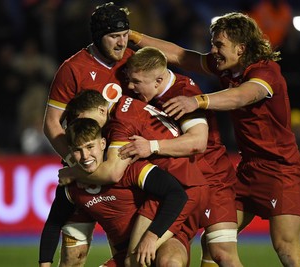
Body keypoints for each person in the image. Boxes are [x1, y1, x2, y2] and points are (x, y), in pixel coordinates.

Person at [128, 12, 300, 267]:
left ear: (241, 48)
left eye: (219, 44)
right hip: (247, 170)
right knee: (216, 244)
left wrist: (198, 100)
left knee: (287, 250)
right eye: (213, 43)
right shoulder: (229, 68)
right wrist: (134, 37)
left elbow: (241, 97)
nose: (212, 50)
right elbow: (180, 55)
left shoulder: (266, 72)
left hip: (280, 171)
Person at [117, 46, 242, 267]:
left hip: (212, 180)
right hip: (179, 185)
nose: (130, 87)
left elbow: (197, 141)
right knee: (165, 261)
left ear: (157, 81)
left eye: (136, 82)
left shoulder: (182, 94)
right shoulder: (150, 92)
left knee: (223, 255)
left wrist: (151, 147)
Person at [58, 89, 210, 267]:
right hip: (172, 188)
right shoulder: (128, 108)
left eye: (87, 119)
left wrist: (74, 172)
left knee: (134, 259)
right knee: (164, 260)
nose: (88, 125)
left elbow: (113, 173)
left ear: (101, 110)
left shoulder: (121, 123)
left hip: (183, 188)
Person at [40, 2, 134, 265]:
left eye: (125, 35)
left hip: (120, 172)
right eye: (114, 36)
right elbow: (51, 124)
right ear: (97, 36)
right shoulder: (72, 69)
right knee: (74, 257)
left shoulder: (133, 63)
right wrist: (77, 162)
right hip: (84, 173)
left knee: (127, 256)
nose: (121, 42)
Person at [42, 116, 189, 266]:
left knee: (169, 263)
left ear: (103, 144)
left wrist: (152, 237)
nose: (85, 156)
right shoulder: (71, 185)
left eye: (90, 147)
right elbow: (53, 224)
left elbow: (177, 194)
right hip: (125, 256)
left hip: (162, 240)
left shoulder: (127, 167)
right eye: (78, 150)